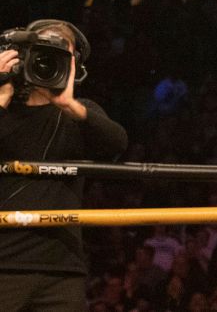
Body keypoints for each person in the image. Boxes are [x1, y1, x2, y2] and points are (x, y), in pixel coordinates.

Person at [0, 19, 129, 311]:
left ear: (74, 66)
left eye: (60, 55)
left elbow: (117, 143)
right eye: (42, 52)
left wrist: (70, 105)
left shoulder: (80, 115)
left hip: (61, 268)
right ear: (23, 55)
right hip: (3, 262)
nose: (48, 62)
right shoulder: (4, 108)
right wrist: (1, 96)